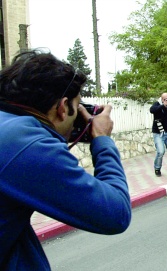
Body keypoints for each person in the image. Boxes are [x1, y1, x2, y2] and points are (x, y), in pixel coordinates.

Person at [0, 50, 132, 270]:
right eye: (77, 106)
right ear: (62, 108)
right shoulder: (27, 144)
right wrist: (102, 140)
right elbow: (115, 213)